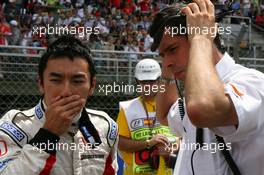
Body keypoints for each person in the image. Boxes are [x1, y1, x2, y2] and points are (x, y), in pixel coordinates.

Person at [149, 0, 264, 175]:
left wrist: (201, 38)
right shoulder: (193, 94)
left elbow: (203, 108)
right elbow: (164, 115)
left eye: (173, 49)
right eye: (162, 56)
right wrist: (168, 67)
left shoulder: (251, 82)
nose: (166, 63)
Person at [0, 35, 119, 175]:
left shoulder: (106, 126)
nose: (66, 91)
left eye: (77, 81)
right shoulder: (14, 126)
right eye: (56, 80)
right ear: (41, 84)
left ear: (92, 85)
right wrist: (47, 134)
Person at [117, 58, 177, 175]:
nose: (148, 86)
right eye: (144, 82)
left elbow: (183, 138)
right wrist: (149, 143)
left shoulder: (173, 106)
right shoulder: (127, 108)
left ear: (159, 81)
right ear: (137, 81)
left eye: (152, 81)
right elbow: (120, 143)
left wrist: (171, 148)